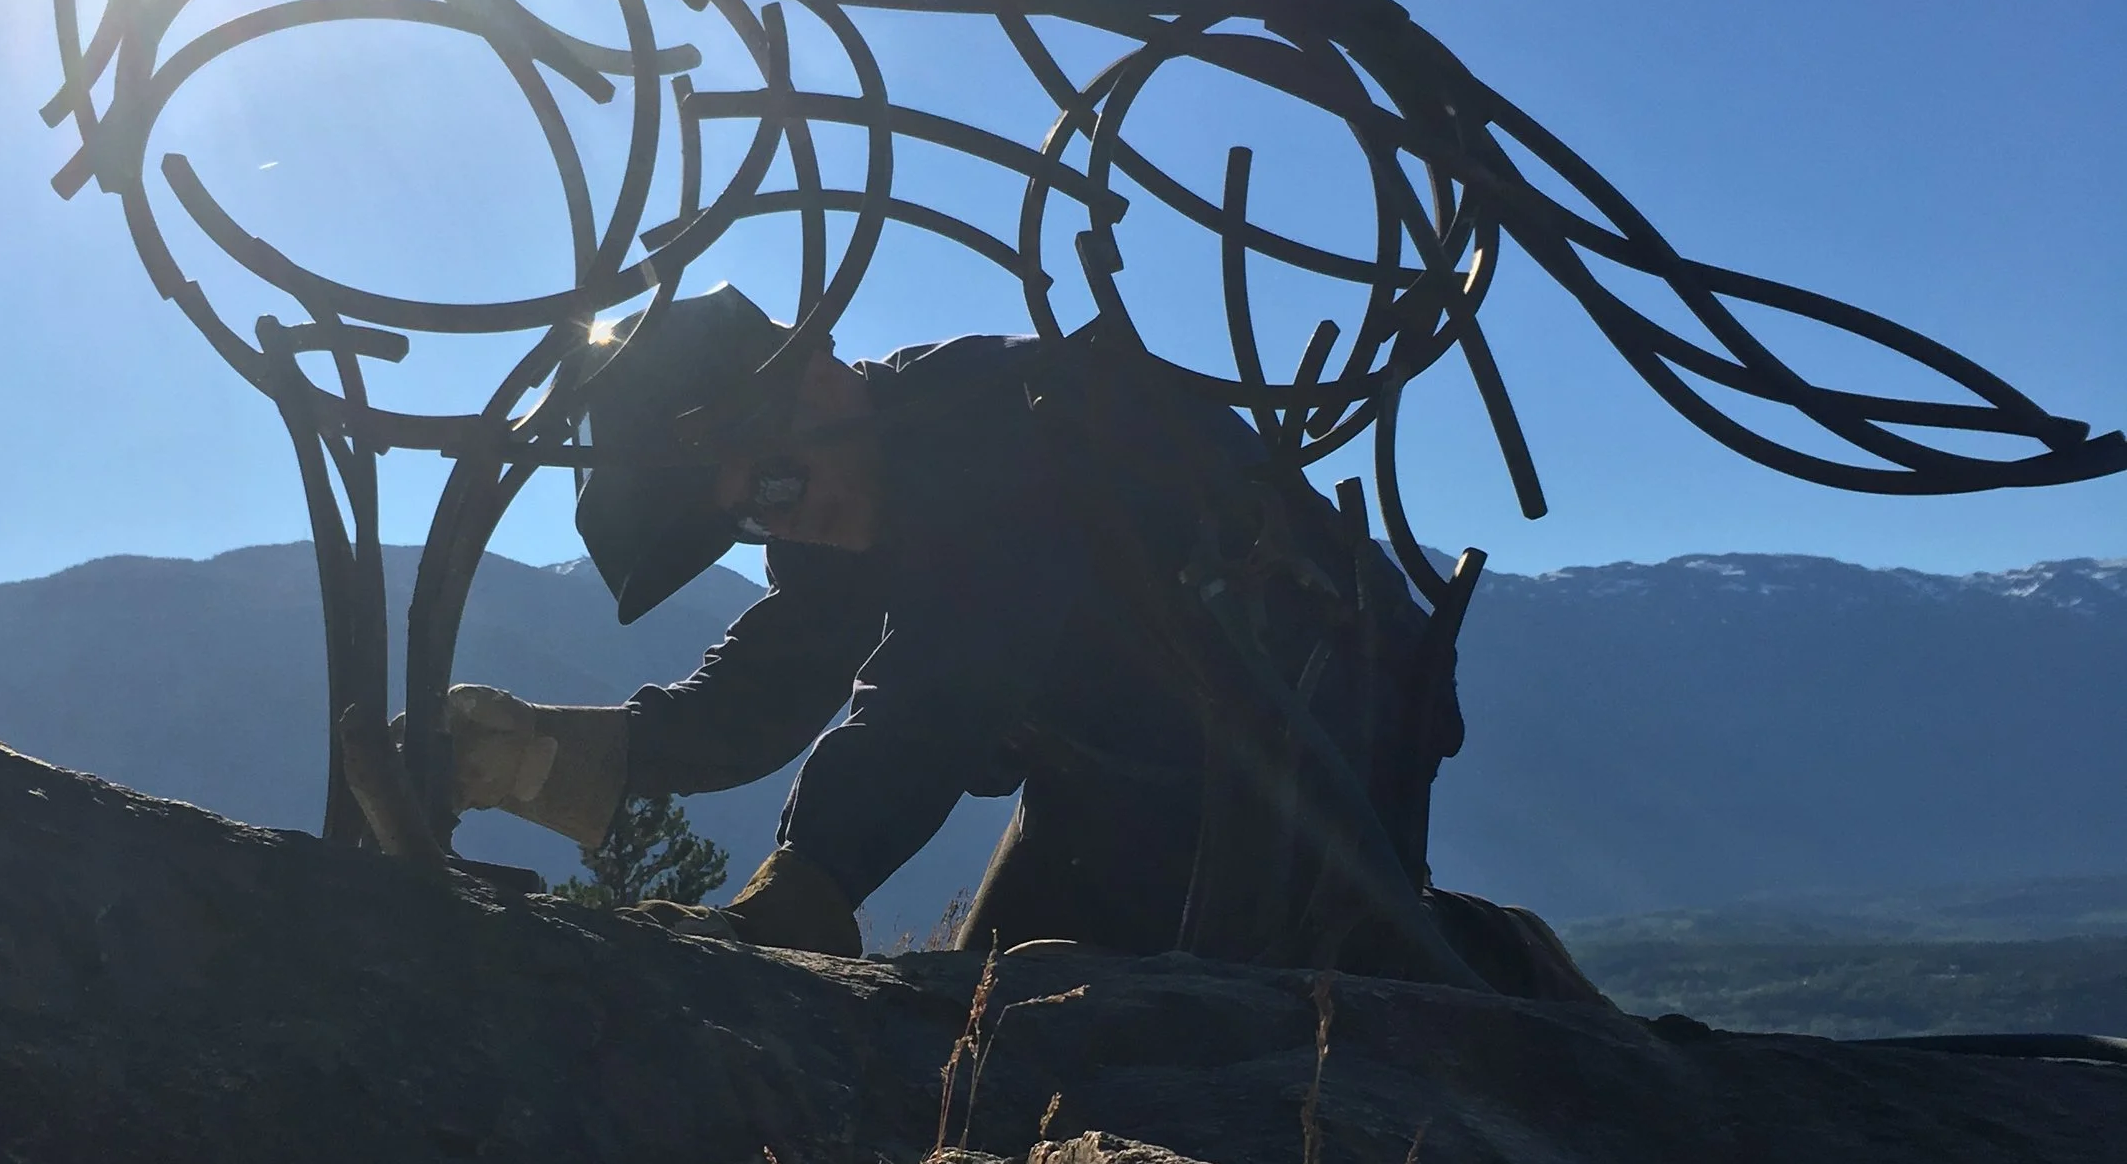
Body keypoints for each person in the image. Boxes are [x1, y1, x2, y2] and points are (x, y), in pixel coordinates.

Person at [446, 285, 1595, 994]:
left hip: (1301, 723)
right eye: (749, 510)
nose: (782, 515)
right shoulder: (853, 509)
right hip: (1113, 773)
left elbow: (940, 683)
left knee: (1329, 988)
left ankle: (1521, 991)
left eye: (779, 475)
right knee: (1000, 1032)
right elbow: (761, 694)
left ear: (816, 368)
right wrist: (538, 752)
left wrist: (805, 889)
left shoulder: (995, 424)